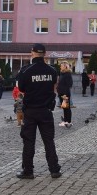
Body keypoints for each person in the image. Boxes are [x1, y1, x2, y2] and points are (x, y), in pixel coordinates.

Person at [16, 43, 62, 179]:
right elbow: (54, 86)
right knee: (49, 141)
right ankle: (54, 169)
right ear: (45, 54)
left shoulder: (26, 70)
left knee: (29, 141)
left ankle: (28, 171)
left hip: (30, 110)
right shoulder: (52, 70)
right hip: (46, 110)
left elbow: (22, 88)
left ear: (32, 53)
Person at [57, 61, 73, 127]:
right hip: (61, 93)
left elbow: (69, 84)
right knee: (64, 108)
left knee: (67, 108)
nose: (60, 66)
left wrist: (65, 94)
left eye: (61, 65)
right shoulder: (62, 74)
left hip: (65, 94)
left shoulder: (67, 74)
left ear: (65, 66)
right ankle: (65, 121)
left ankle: (68, 122)